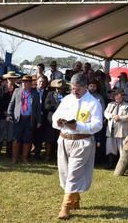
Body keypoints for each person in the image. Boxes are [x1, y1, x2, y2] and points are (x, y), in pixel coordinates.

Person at [52, 73, 102, 220]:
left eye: (78, 88)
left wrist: (78, 126)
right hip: (64, 140)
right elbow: (55, 116)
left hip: (82, 142)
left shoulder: (93, 103)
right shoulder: (67, 100)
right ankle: (75, 199)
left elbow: (98, 124)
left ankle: (65, 206)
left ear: (86, 87)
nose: (75, 91)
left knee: (74, 173)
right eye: (73, 88)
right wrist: (59, 121)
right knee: (65, 173)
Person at [6, 75, 41, 164]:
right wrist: (9, 114)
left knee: (27, 139)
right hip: (18, 118)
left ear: (30, 83)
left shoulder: (35, 93)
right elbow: (12, 104)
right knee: (16, 138)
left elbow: (37, 108)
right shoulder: (17, 91)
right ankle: (15, 158)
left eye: (26, 82)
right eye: (23, 82)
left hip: (29, 119)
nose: (24, 84)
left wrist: (38, 121)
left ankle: (24, 158)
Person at [104, 88, 128, 169]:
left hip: (121, 130)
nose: (115, 97)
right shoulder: (111, 105)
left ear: (122, 96)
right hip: (111, 129)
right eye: (115, 95)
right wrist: (112, 116)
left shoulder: (127, 105)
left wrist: (120, 118)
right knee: (110, 147)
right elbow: (105, 113)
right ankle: (110, 163)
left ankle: (124, 166)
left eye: (117, 95)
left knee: (122, 148)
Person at [0, 71, 20, 157]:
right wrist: (3, 111)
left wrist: (11, 113)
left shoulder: (18, 89)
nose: (11, 80)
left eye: (12, 78)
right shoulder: (2, 88)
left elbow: (18, 103)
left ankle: (9, 153)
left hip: (13, 115)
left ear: (15, 79)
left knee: (10, 134)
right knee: (0, 133)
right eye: (9, 78)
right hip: (2, 115)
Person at [43, 79, 70, 162]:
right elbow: (46, 105)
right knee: (49, 139)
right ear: (55, 88)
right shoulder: (50, 94)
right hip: (51, 120)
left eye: (62, 89)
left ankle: (60, 157)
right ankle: (47, 155)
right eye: (58, 88)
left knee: (61, 139)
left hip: (64, 121)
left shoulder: (68, 97)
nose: (60, 90)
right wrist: (54, 106)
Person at [32, 75, 49, 159]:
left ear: (46, 83)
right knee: (30, 134)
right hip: (31, 116)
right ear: (37, 82)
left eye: (43, 82)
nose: (41, 83)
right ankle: (27, 152)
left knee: (39, 135)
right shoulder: (32, 91)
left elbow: (47, 105)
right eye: (40, 81)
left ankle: (37, 152)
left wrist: (40, 113)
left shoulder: (48, 93)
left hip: (42, 117)